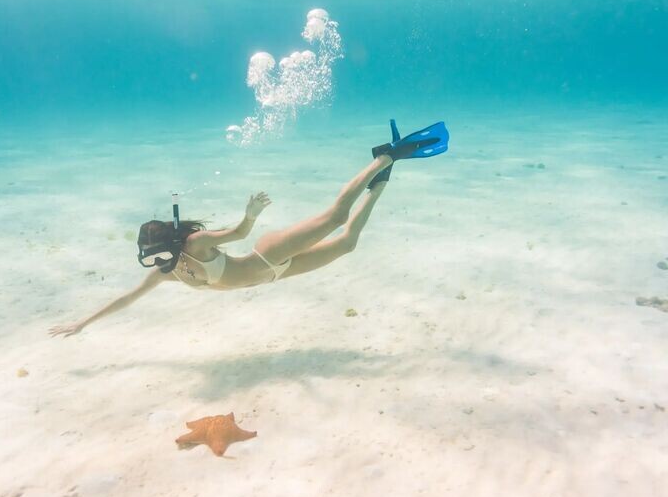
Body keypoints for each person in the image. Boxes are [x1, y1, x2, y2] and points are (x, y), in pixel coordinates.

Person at [48, 120, 448, 337]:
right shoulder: (167, 272)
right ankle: (381, 182)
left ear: (170, 240)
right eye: (153, 257)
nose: (158, 261)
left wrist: (252, 213)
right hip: (279, 273)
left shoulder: (195, 243)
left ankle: (383, 157)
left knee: (334, 219)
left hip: (267, 253)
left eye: (158, 251)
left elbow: (238, 235)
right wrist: (82, 323)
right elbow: (127, 298)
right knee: (347, 245)